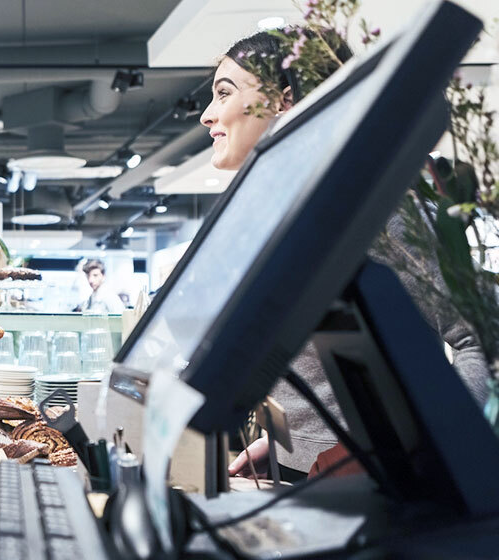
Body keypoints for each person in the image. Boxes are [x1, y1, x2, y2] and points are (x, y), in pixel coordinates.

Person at [203, 31, 491, 481]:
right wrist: (290, 442)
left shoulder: (378, 209)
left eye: (224, 94)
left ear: (285, 100)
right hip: (299, 476)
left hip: (381, 489)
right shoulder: (279, 211)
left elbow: (479, 341)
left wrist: (431, 452)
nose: (207, 115)